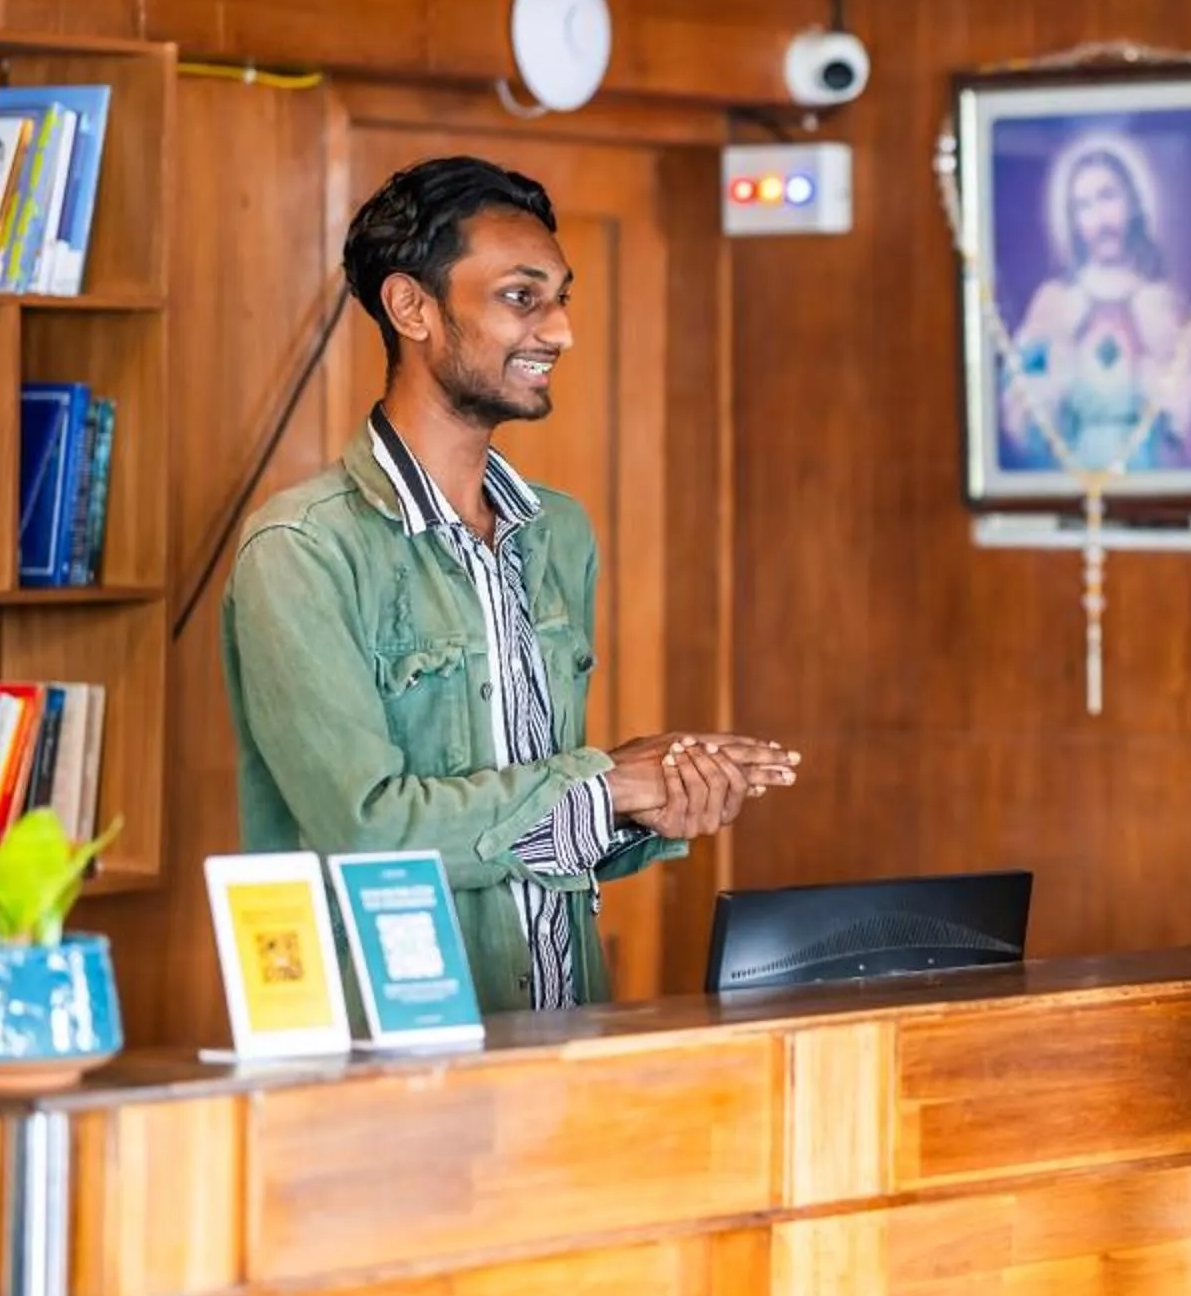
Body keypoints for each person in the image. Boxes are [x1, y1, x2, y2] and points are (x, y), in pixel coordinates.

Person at [223, 155, 800, 1014]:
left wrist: (646, 804)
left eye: (561, 298)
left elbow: (535, 815)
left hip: (567, 1021)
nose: (560, 330)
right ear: (411, 307)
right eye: (522, 298)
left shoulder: (558, 533)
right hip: (389, 1049)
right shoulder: (301, 549)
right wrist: (607, 785)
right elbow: (366, 832)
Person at [1000, 133, 1191, 472]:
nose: (1100, 219)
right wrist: (1049, 392)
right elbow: (1015, 407)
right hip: (1073, 481)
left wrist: (1175, 399)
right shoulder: (1053, 304)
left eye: (1107, 197)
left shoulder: (1163, 303)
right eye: (1083, 206)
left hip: (1146, 478)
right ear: (1072, 220)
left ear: (1132, 203)